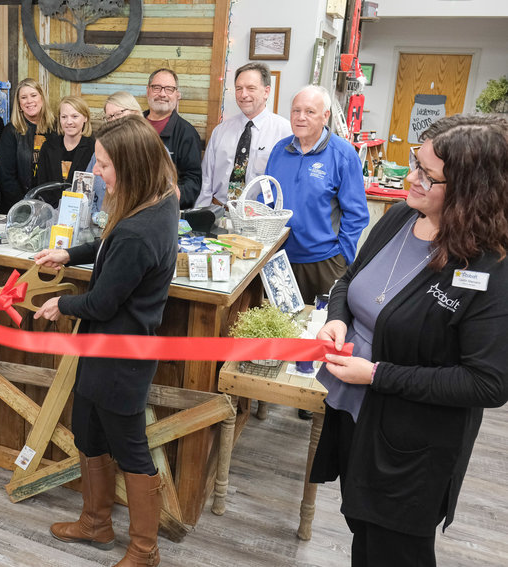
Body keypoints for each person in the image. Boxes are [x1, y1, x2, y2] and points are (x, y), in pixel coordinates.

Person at [311, 114, 508, 566]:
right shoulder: (401, 216)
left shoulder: (488, 266)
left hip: (413, 444)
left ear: (469, 189)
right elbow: (349, 281)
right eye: (414, 164)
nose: (411, 178)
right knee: (364, 530)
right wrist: (338, 319)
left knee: (396, 549)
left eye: (427, 175)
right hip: (356, 416)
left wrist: (377, 374)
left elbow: (487, 384)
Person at [33, 114, 179, 567]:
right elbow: (107, 246)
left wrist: (62, 305)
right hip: (102, 350)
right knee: (88, 430)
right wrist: (69, 253)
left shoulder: (140, 230)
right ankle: (96, 523)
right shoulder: (155, 201)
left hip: (122, 356)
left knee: (131, 449)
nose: (97, 172)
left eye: (104, 165)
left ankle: (144, 550)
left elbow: (101, 301)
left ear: (132, 166)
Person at [265, 85, 369, 304]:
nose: (300, 117)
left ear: (325, 116)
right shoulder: (279, 150)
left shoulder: (343, 154)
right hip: (280, 257)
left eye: (310, 112)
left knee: (321, 327)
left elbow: (357, 214)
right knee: (281, 327)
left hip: (325, 262)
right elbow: (267, 198)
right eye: (296, 111)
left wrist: (343, 256)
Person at [195, 62, 291, 206]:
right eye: (239, 88)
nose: (243, 94)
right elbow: (206, 179)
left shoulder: (284, 132)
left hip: (259, 217)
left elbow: (285, 183)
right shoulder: (221, 131)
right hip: (219, 212)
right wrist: (200, 215)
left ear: (266, 91)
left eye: (250, 88)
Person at [144, 68, 202, 209]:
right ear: (148, 91)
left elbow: (193, 181)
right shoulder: (133, 126)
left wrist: (169, 196)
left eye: (169, 89)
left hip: (166, 210)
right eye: (157, 88)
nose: (162, 94)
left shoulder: (187, 133)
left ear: (177, 95)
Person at [0, 78, 56, 212]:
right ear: (19, 104)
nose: (29, 101)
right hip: (19, 206)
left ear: (42, 98)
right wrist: (25, 206)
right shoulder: (11, 131)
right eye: (24, 97)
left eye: (33, 95)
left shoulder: (56, 128)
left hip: (53, 205)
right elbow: (6, 177)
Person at [86, 91, 144, 217]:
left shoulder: (149, 151)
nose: (113, 121)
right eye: (109, 117)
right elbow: (87, 190)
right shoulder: (100, 151)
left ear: (135, 113)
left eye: (118, 114)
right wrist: (95, 217)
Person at [36, 95, 94, 186]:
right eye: (64, 117)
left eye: (75, 116)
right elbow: (41, 183)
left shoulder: (93, 148)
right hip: (49, 200)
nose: (69, 122)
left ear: (85, 118)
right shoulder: (48, 146)